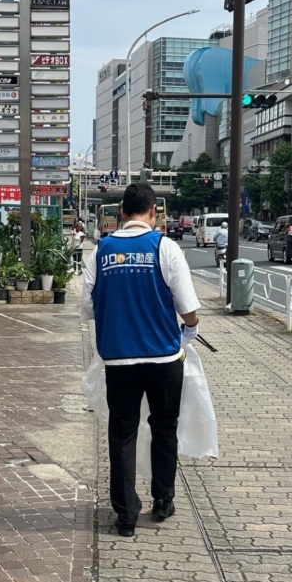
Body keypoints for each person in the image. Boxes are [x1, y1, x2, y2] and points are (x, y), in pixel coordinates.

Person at [81, 183, 201, 537]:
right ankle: (162, 501)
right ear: (153, 213)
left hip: (119, 360)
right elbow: (188, 307)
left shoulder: (101, 251)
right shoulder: (165, 247)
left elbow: (86, 307)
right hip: (164, 358)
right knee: (165, 428)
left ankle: (126, 515)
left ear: (121, 212)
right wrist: (189, 331)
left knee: (122, 434)